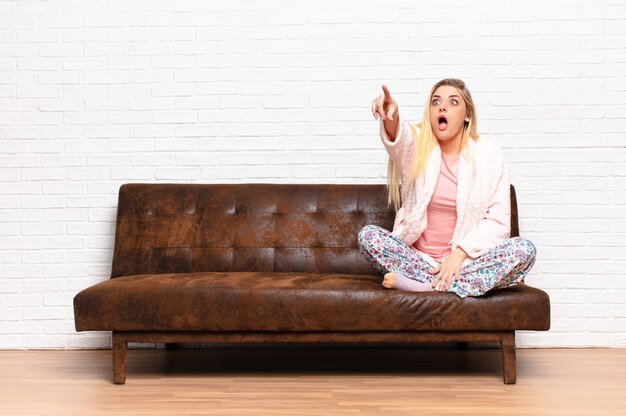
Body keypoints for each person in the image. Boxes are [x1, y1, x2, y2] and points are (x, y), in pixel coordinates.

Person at [358, 78, 537, 298]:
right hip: (421, 261)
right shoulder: (418, 147)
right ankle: (445, 283)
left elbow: (499, 223)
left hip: (466, 262)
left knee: (524, 250)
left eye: (453, 102)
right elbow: (401, 140)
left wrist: (459, 255)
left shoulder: (489, 153)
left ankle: (425, 286)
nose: (442, 107)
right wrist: (391, 118)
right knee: (368, 236)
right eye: (436, 102)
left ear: (467, 115)